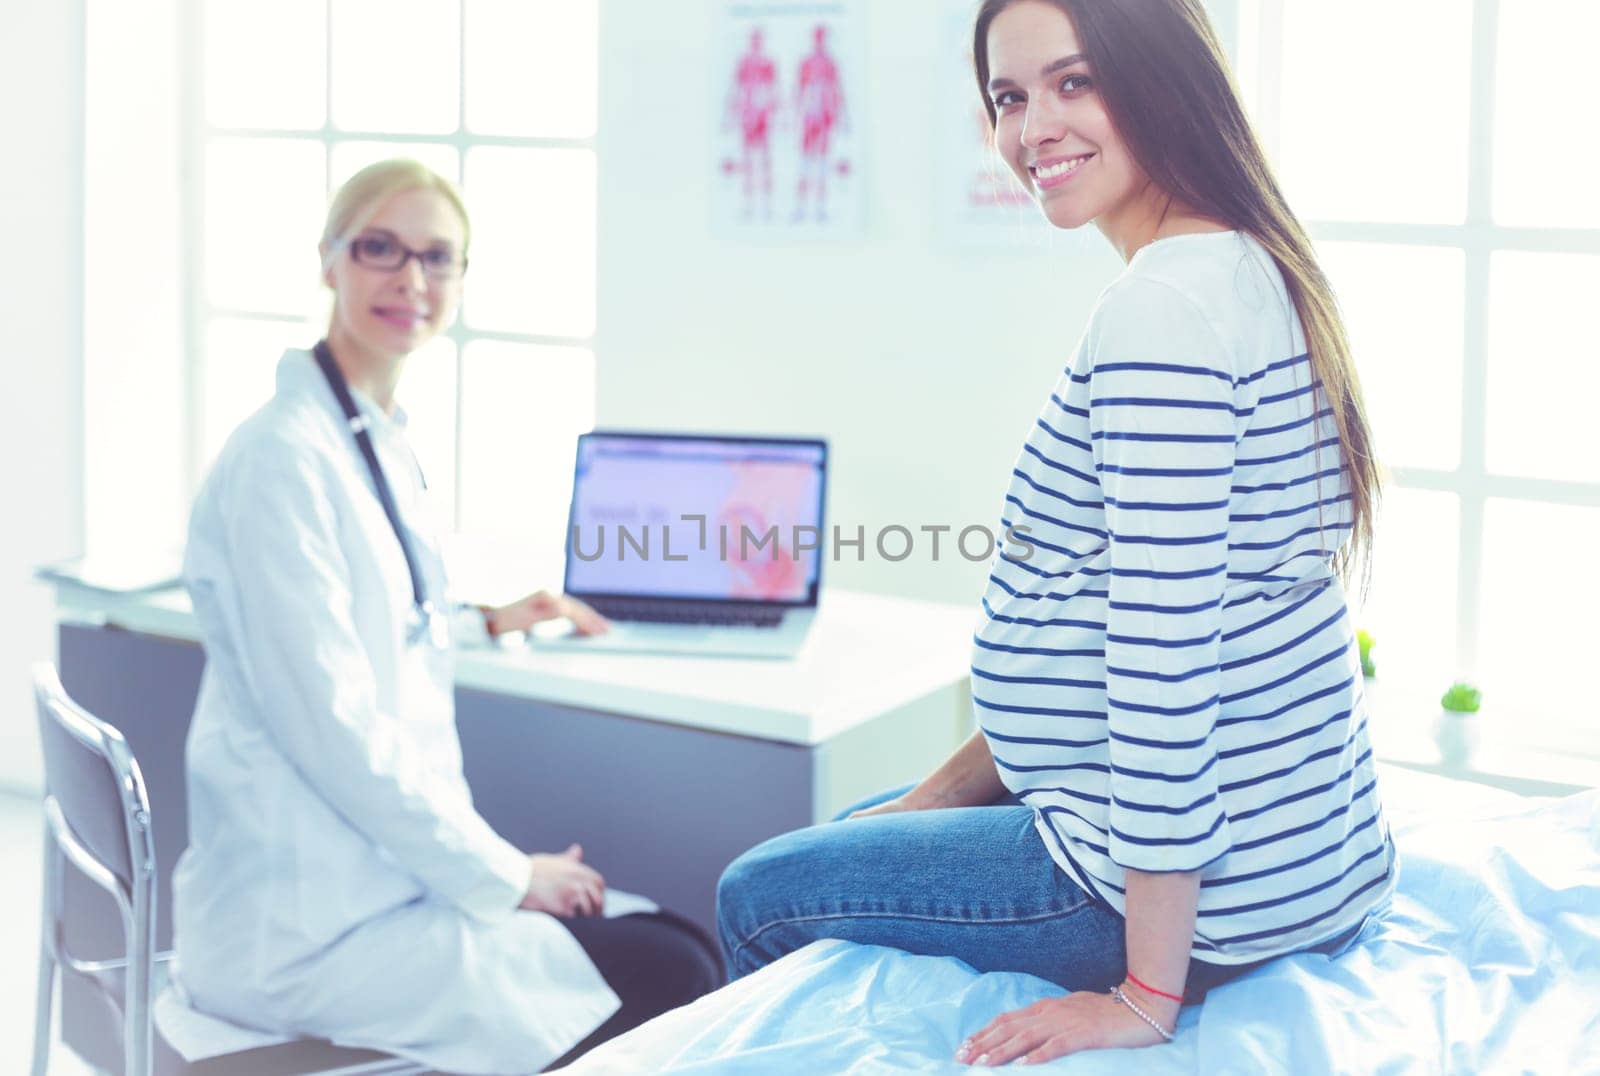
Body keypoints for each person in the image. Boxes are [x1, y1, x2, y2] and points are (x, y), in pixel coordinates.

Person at [716, 0, 1397, 1065]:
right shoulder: (1246, 264)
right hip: (1306, 863)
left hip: (1193, 901)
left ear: (1164, 78)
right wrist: (922, 802)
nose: (1034, 128)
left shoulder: (1162, 313)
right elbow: (1113, 628)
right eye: (1008, 96)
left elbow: (1165, 668)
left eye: (1074, 83)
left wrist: (1144, 991)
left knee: (755, 889)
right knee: (855, 820)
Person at [173, 158, 720, 1074]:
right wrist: (509, 875)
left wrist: (488, 622)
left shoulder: (367, 434)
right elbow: (336, 728)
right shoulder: (281, 461)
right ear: (329, 261)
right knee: (673, 972)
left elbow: (365, 625)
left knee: (676, 948)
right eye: (380, 248)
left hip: (368, 886)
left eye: (438, 258)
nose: (410, 280)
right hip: (305, 927)